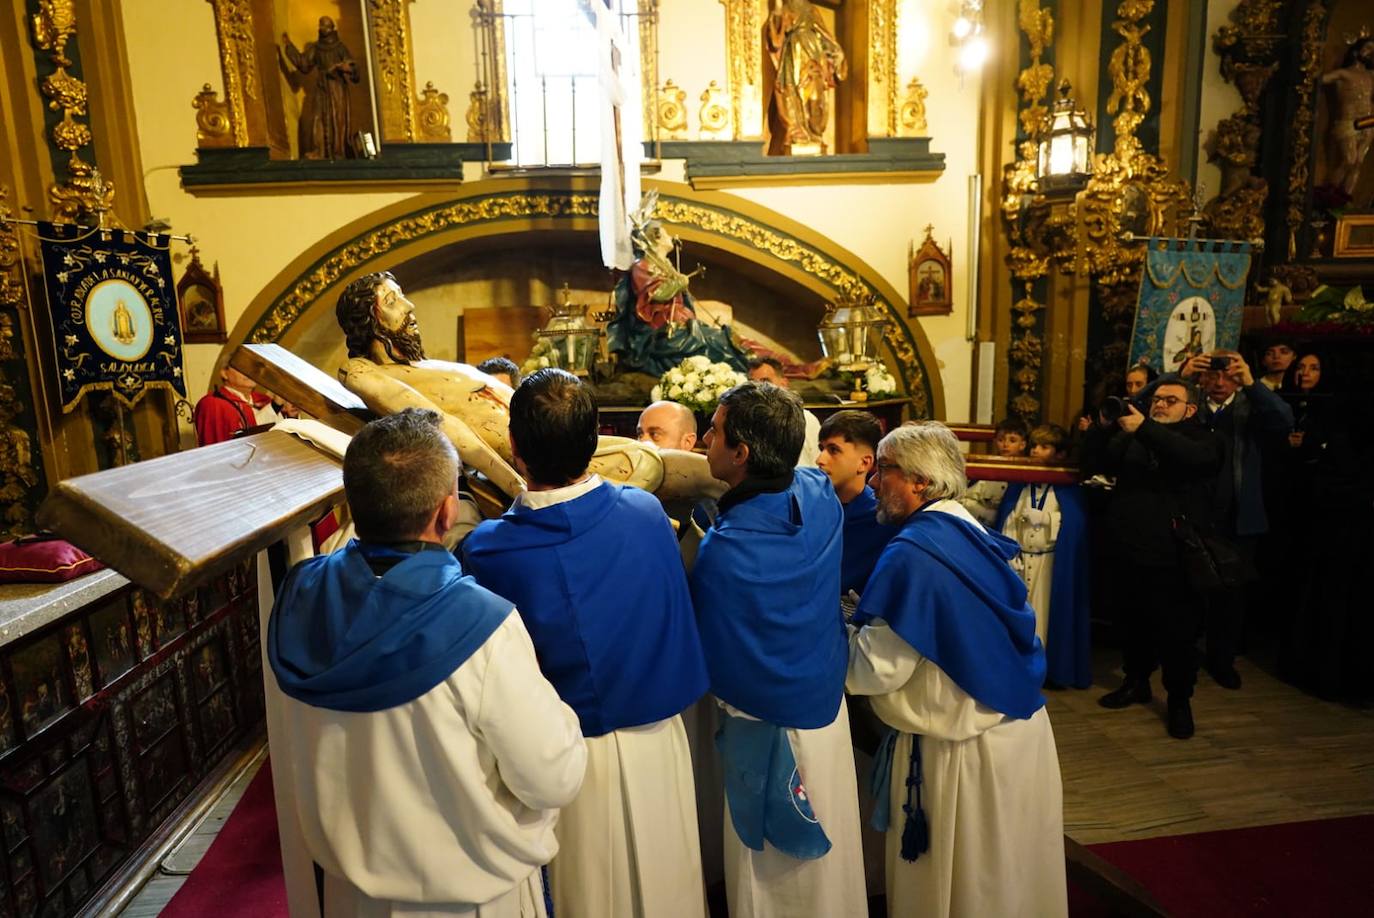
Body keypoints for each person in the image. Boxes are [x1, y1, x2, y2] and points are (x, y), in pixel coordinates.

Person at [266, 408, 587, 916]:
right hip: (468, 901)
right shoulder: (482, 624)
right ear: (446, 512)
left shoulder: (299, 596)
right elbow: (552, 776)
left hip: (354, 899)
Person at [462, 369, 709, 918]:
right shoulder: (645, 512)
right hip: (659, 739)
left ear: (514, 446)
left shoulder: (491, 550)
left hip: (567, 757)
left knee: (592, 895)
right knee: (668, 889)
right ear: (596, 440)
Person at [846, 422, 1067, 917]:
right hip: (1016, 731)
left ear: (920, 481)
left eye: (884, 469)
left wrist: (839, 631)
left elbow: (873, 672)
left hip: (961, 753)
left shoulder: (913, 552)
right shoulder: (964, 526)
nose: (873, 481)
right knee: (1009, 881)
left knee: (969, 888)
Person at [689, 381, 865, 918]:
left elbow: (714, 655)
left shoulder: (725, 550)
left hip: (767, 723)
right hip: (826, 707)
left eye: (714, 431)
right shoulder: (819, 492)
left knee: (772, 879)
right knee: (830, 874)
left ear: (741, 453)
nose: (704, 440)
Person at [335, 271, 723, 504]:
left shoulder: (416, 363)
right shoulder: (362, 371)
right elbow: (446, 428)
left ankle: (748, 489)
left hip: (551, 441)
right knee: (657, 464)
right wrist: (517, 486)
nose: (409, 306)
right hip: (536, 456)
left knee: (661, 461)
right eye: (392, 301)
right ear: (368, 320)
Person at [1080, 375, 1224, 738]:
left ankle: (1179, 700)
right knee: (1132, 624)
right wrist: (1102, 427)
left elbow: (1189, 457)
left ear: (1190, 409)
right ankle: (1136, 681)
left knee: (1178, 635)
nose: (1159, 404)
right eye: (1156, 399)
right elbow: (1094, 462)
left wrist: (1143, 428)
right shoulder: (1134, 437)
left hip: (1176, 557)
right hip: (1129, 549)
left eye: (1170, 400)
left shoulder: (1204, 439)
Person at [1182, 349, 1294, 689]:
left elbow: (1284, 419)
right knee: (1186, 591)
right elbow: (1144, 408)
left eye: (1228, 375)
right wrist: (1180, 377)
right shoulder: (1189, 406)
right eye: (1212, 374)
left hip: (1237, 518)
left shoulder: (1251, 408)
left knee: (1232, 596)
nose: (1219, 382)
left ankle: (1222, 659)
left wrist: (1250, 382)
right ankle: (1183, 654)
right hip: (1192, 515)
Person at [994, 423, 1092, 688]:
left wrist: (1047, 519)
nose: (1036, 451)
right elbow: (1008, 518)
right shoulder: (1020, 483)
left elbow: (1075, 525)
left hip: (1049, 562)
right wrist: (1009, 550)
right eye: (1034, 446)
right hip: (1020, 560)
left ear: (1060, 454)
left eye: (1044, 447)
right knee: (1019, 617)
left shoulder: (1068, 488)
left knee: (1045, 617)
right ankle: (1019, 667)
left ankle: (1048, 669)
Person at [816, 409, 894, 596]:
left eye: (833, 450)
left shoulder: (883, 520)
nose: (820, 460)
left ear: (864, 463)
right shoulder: (810, 507)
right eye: (821, 449)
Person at [763, 0, 848, 155]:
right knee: (793, 92)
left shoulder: (812, 9)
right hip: (793, 54)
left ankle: (815, 134)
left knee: (816, 97)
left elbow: (823, 34)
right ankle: (797, 133)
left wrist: (836, 53)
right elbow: (776, 40)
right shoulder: (785, 8)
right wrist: (777, 12)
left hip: (814, 55)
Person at [281, 16, 360, 160]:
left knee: (337, 120)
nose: (322, 28)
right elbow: (304, 64)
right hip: (322, 87)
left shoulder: (340, 47)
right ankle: (319, 151)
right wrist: (289, 46)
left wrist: (346, 68)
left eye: (325, 26)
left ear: (332, 28)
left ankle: (338, 152)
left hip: (337, 88)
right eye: (320, 25)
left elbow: (353, 68)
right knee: (318, 118)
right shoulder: (316, 48)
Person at [1320, 36, 1374, 198]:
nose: (1371, 53)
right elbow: (1321, 79)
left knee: (1357, 164)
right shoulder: (1344, 73)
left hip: (1367, 123)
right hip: (1348, 122)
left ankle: (1344, 201)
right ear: (1356, 52)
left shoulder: (1371, 76)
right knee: (1348, 161)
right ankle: (1329, 196)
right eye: (1368, 48)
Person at [747, 356, 821, 466]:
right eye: (753, 384)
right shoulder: (746, 421)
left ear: (784, 384)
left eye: (765, 382)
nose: (758, 389)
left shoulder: (807, 420)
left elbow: (819, 464)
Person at [959, 417, 1028, 525]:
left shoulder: (1027, 472)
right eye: (1001, 440)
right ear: (995, 441)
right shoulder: (986, 466)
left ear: (1022, 445)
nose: (1005, 445)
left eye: (1012, 441)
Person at [193, 365, 281, 446]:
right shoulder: (213, 404)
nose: (249, 371)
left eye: (253, 367)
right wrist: (274, 407)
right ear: (224, 373)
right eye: (241, 366)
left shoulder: (264, 400)